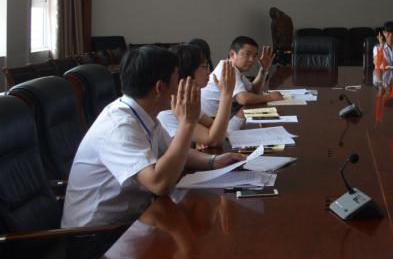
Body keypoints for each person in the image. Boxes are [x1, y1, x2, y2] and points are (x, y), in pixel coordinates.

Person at [62, 46, 246, 228]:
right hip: (96, 235)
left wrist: (214, 161)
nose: (181, 85)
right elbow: (159, 184)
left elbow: (174, 150)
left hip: (135, 220)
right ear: (160, 87)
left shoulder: (144, 113)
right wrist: (187, 123)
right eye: (177, 79)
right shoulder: (119, 126)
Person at [158, 43, 238, 147]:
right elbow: (215, 140)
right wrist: (226, 94)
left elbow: (214, 127)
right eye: (204, 66)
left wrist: (204, 137)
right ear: (186, 71)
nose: (209, 72)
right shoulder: (168, 110)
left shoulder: (186, 100)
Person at [200, 36, 283, 116]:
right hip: (213, 121)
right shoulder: (227, 69)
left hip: (225, 115)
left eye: (254, 56)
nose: (252, 60)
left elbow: (253, 90)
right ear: (232, 54)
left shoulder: (234, 69)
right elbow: (243, 99)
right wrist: (270, 97)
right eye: (247, 54)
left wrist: (263, 69)